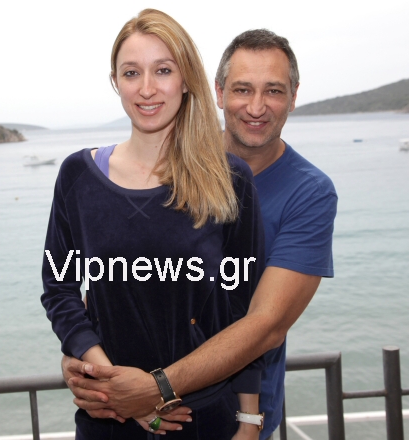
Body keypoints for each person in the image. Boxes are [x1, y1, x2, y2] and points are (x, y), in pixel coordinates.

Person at [62, 29, 338, 440]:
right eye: (242, 89)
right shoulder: (160, 169)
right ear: (219, 93)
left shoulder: (309, 192)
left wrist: (153, 390)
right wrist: (83, 361)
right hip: (127, 411)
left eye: (274, 91)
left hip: (231, 416)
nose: (256, 107)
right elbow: (111, 286)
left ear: (293, 97)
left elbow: (265, 323)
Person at [41, 10, 267, 439]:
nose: (146, 88)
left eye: (163, 70)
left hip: (202, 419)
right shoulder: (77, 177)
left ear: (186, 79)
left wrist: (250, 420)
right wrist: (117, 390)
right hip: (109, 422)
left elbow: (244, 313)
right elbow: (60, 290)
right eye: (131, 73)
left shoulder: (230, 180)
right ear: (116, 82)